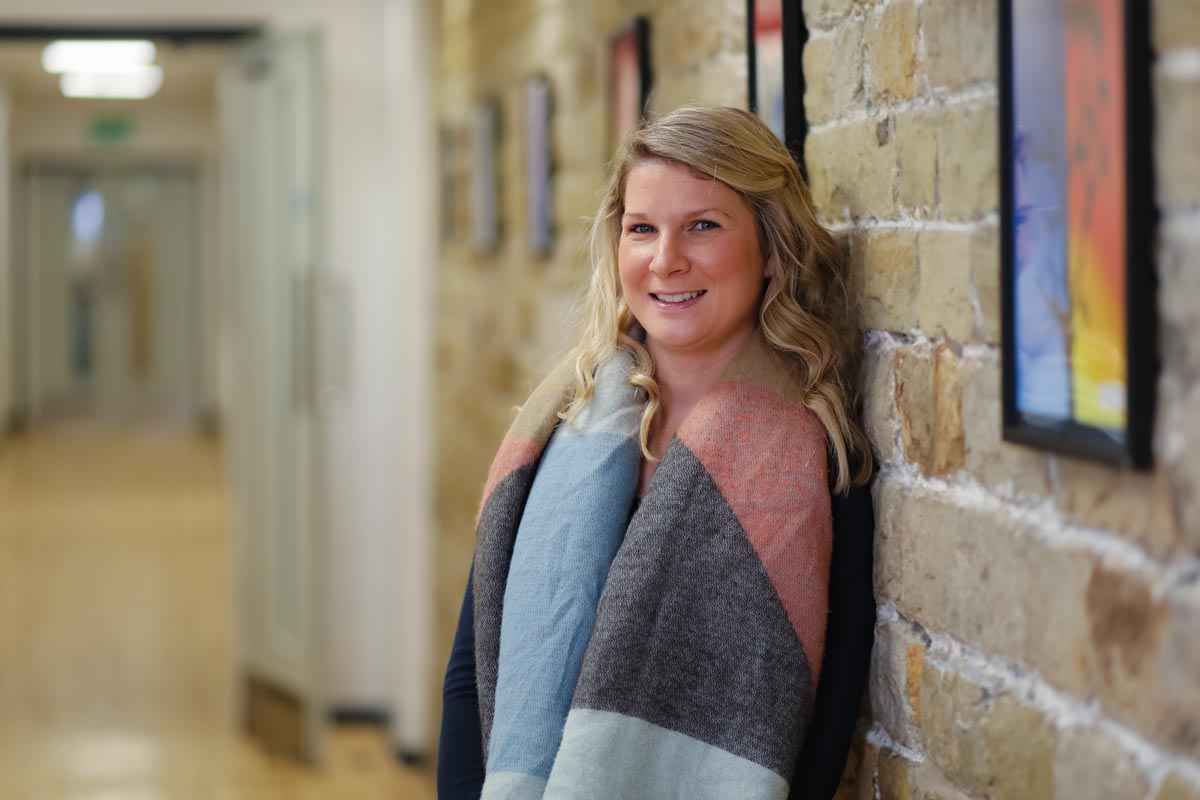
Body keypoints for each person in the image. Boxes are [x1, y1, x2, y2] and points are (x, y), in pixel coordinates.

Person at [438, 104, 876, 800]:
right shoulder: (560, 424)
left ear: (770, 249)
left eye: (702, 226)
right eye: (642, 229)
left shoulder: (818, 460)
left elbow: (825, 725)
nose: (666, 260)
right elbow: (473, 671)